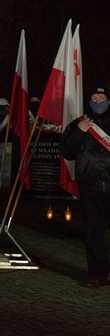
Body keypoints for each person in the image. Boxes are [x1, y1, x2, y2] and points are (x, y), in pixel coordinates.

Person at [60, 84, 110, 287]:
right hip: (90, 184)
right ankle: (97, 274)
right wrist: (79, 133)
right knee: (93, 232)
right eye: (94, 99)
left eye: (102, 98)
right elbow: (67, 152)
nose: (98, 103)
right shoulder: (78, 124)